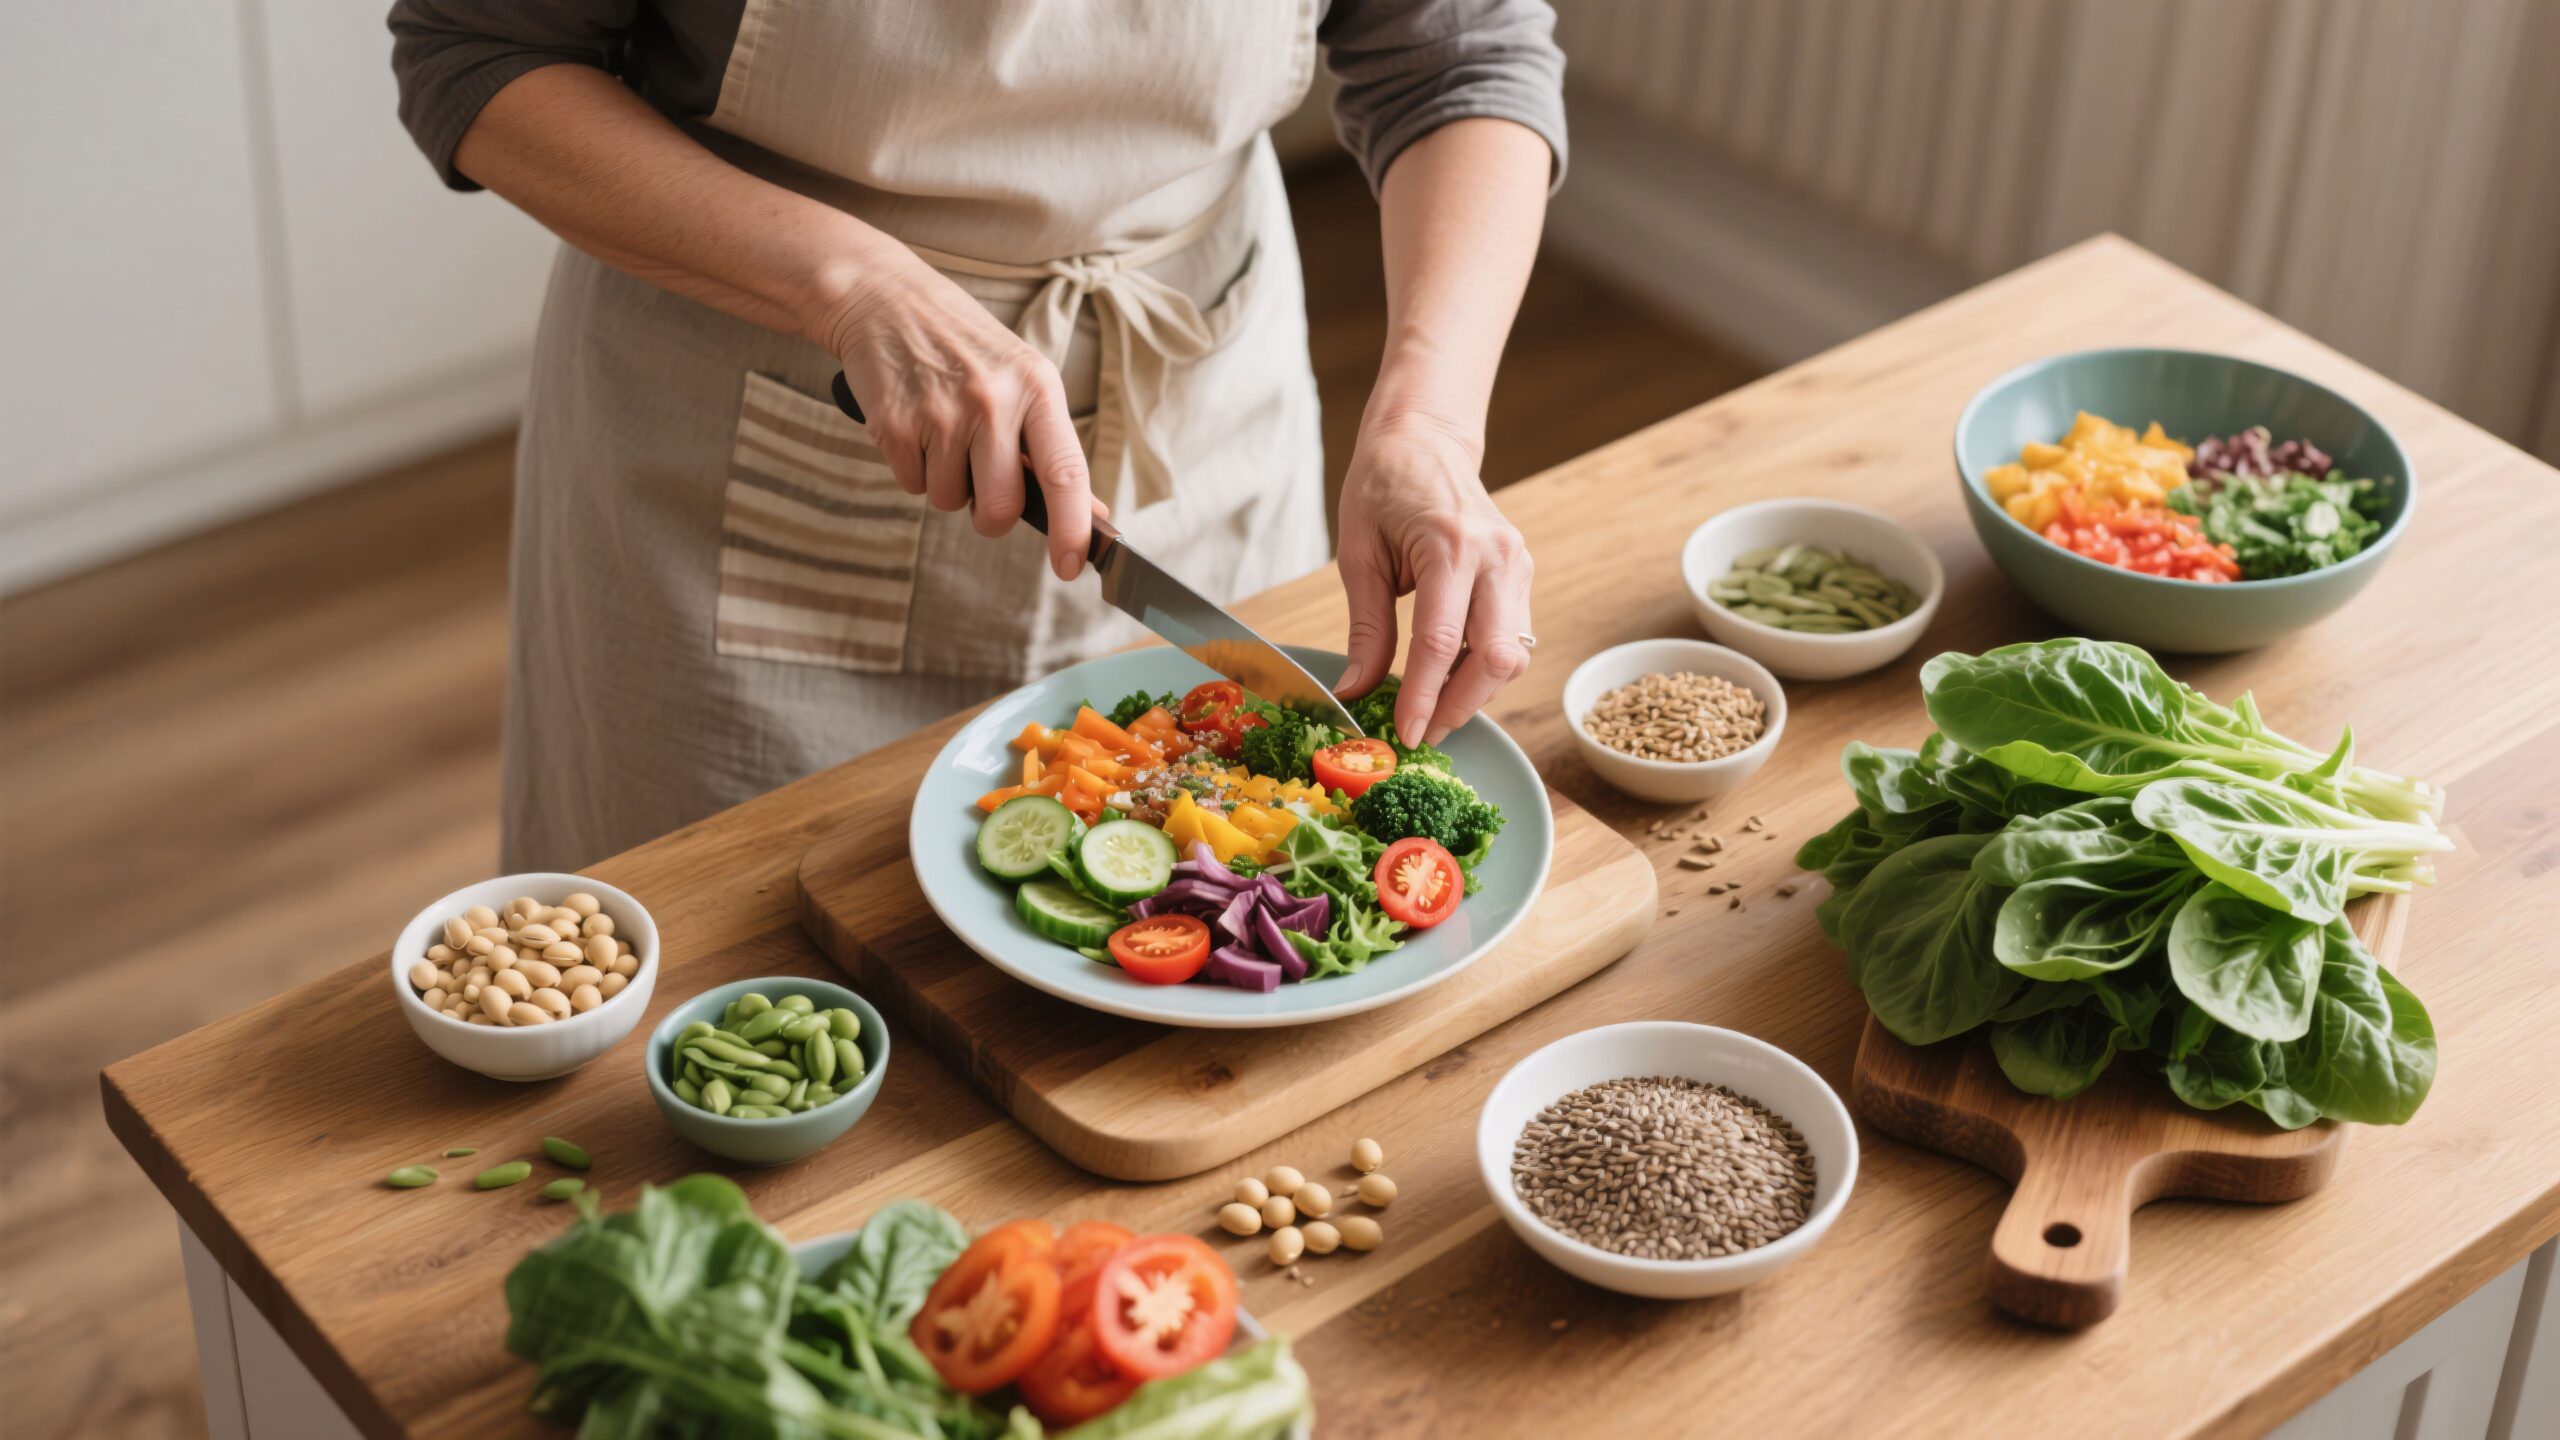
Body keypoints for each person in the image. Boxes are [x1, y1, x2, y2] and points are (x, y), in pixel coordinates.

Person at [390, 1, 1564, 872]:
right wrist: (852, 288)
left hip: (1201, 402)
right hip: (752, 416)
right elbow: (480, 53)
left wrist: (1430, 419)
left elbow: (1461, 55)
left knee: (1224, 900)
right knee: (743, 958)